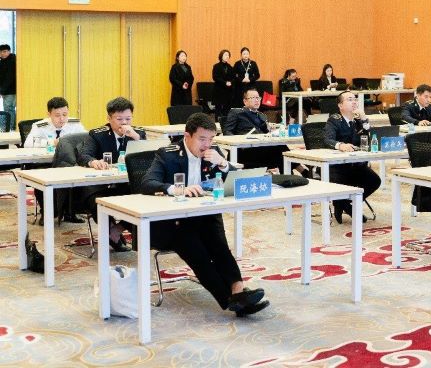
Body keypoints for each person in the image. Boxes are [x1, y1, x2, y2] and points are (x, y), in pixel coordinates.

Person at [141, 112, 269, 317]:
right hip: (172, 223)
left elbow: (236, 179)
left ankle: (238, 290)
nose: (207, 145)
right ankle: (231, 300)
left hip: (203, 216)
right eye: (202, 139)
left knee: (219, 247)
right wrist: (178, 189)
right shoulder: (168, 154)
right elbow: (147, 183)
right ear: (187, 136)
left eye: (211, 139)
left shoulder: (214, 152)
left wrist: (223, 164)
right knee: (199, 255)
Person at [77, 97, 147, 251]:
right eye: (119, 119)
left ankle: (117, 230)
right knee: (94, 198)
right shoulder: (98, 134)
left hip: (128, 184)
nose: (124, 123)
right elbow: (83, 155)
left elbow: (149, 159)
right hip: (103, 184)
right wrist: (93, 162)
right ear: (109, 118)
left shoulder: (139, 133)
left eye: (128, 119)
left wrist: (136, 138)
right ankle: (110, 230)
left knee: (148, 197)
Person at [25, 96, 87, 223]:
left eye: (65, 114)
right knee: (42, 177)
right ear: (49, 114)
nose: (62, 119)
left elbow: (87, 140)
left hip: (68, 163)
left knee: (79, 175)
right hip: (46, 163)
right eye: (57, 115)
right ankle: (46, 212)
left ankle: (71, 212)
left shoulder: (75, 124)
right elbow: (28, 144)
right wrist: (52, 142)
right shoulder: (40, 126)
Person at [323, 91, 382, 224]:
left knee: (374, 181)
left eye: (355, 99)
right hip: (337, 167)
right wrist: (340, 145)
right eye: (350, 100)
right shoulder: (334, 120)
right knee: (341, 183)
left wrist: (364, 118)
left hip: (355, 165)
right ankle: (344, 204)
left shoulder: (357, 121)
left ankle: (344, 203)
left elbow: (370, 137)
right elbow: (327, 140)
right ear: (340, 105)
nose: (354, 102)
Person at [224, 87, 288, 169]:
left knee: (281, 147)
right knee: (280, 150)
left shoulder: (262, 115)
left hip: (260, 146)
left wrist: (270, 130)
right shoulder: (236, 112)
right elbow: (227, 131)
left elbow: (266, 133)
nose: (257, 100)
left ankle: (290, 173)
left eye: (258, 98)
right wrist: (238, 142)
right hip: (245, 150)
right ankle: (296, 171)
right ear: (245, 101)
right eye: (253, 98)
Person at [212, 50, 234, 124]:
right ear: (221, 56)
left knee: (227, 109)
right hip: (219, 91)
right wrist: (225, 82)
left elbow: (233, 78)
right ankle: (217, 124)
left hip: (228, 91)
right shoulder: (216, 66)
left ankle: (226, 124)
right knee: (218, 109)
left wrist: (231, 82)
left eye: (228, 55)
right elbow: (215, 77)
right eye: (225, 55)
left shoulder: (230, 67)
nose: (227, 56)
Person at [0, 43, 16, 127]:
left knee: (9, 109)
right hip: (6, 90)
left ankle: (10, 127)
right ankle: (12, 126)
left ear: (9, 51)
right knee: (9, 109)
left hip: (10, 90)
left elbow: (9, 78)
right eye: (0, 52)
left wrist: (2, 90)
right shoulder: (3, 61)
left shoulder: (12, 61)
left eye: (4, 51)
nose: (2, 54)